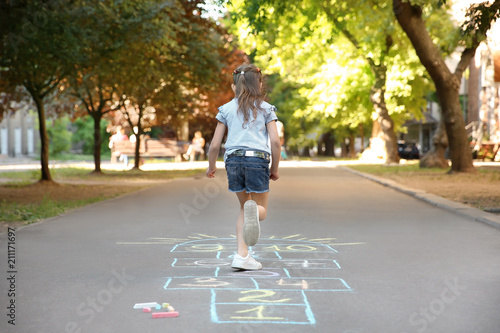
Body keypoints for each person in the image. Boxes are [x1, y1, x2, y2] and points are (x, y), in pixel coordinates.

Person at [206, 64, 281, 271]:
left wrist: (211, 167)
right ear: (259, 84)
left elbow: (214, 145)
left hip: (234, 160)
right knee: (261, 210)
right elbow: (275, 142)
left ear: (234, 87)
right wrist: (275, 168)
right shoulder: (266, 109)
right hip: (257, 160)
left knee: (243, 207)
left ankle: (242, 255)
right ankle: (253, 214)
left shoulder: (226, 109)